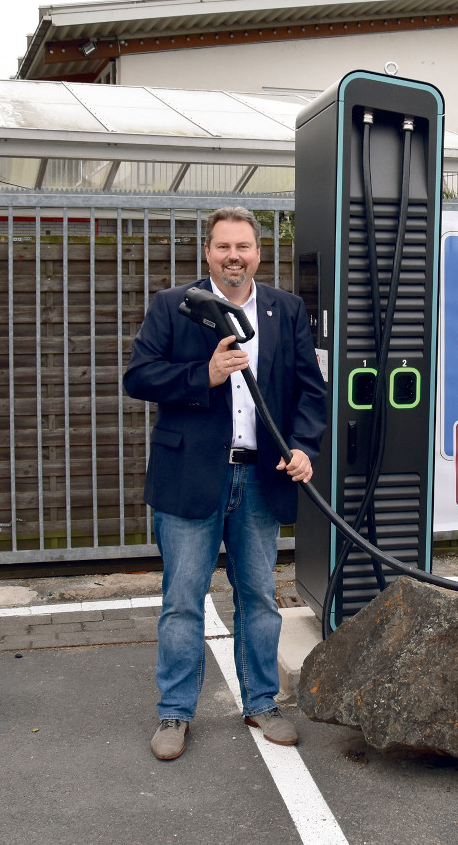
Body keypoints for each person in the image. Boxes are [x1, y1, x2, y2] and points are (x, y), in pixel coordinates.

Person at [124, 206, 327, 760]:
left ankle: (262, 701)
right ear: (208, 252)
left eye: (244, 247)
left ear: (259, 252)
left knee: (260, 597)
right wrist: (204, 376)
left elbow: (311, 389)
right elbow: (138, 376)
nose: (233, 257)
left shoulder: (286, 310)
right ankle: (175, 712)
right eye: (223, 248)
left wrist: (303, 446)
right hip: (190, 475)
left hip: (260, 477)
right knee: (183, 599)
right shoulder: (175, 306)